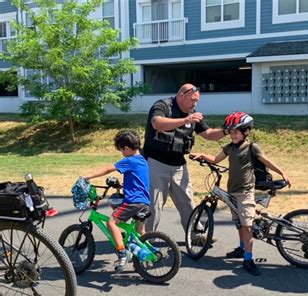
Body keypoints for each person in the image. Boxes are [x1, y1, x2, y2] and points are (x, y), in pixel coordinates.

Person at [190, 112, 291, 276]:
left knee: (247, 225)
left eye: (236, 131)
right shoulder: (230, 147)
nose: (232, 134)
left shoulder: (251, 147)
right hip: (232, 190)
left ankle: (248, 259)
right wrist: (202, 155)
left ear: (246, 131)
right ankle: (242, 248)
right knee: (238, 223)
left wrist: (282, 172)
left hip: (245, 191)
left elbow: (266, 160)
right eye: (230, 132)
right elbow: (216, 159)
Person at [143, 84, 226, 237]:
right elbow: (157, 123)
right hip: (156, 162)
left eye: (197, 101)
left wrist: (226, 130)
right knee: (155, 205)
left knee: (187, 202)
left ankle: (195, 235)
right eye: (193, 100)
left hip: (179, 164)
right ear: (182, 95)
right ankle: (147, 239)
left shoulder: (192, 114)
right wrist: (185, 119)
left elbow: (208, 133)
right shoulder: (163, 106)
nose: (195, 104)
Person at [83, 130, 150, 272]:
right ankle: (147, 255)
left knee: (111, 222)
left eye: (121, 150)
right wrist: (121, 186)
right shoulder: (142, 160)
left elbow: (108, 169)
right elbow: (137, 180)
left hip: (133, 201)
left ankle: (122, 252)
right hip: (144, 201)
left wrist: (88, 176)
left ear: (126, 148)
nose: (122, 153)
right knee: (140, 230)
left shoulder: (129, 160)